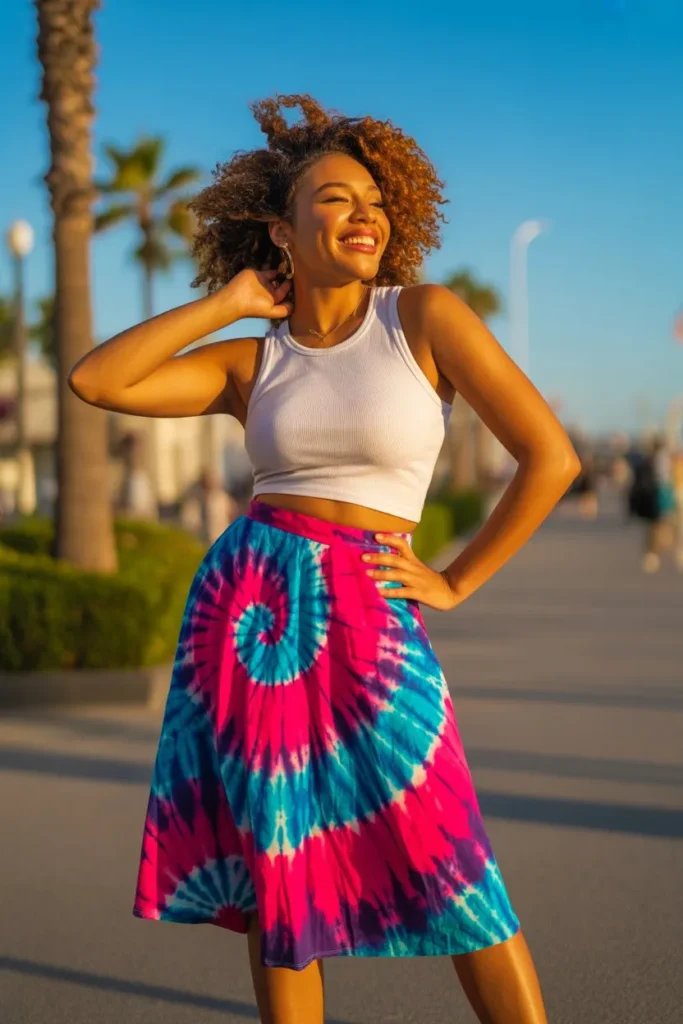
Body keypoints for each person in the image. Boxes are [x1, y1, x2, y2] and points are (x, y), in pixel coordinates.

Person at [68, 94, 580, 1024]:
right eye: (337, 199)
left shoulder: (422, 317)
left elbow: (551, 458)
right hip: (249, 609)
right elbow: (97, 380)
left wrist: (457, 578)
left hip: (369, 605)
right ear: (284, 227)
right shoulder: (251, 361)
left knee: (450, 856)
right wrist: (227, 302)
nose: (364, 216)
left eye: (376, 203)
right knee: (281, 864)